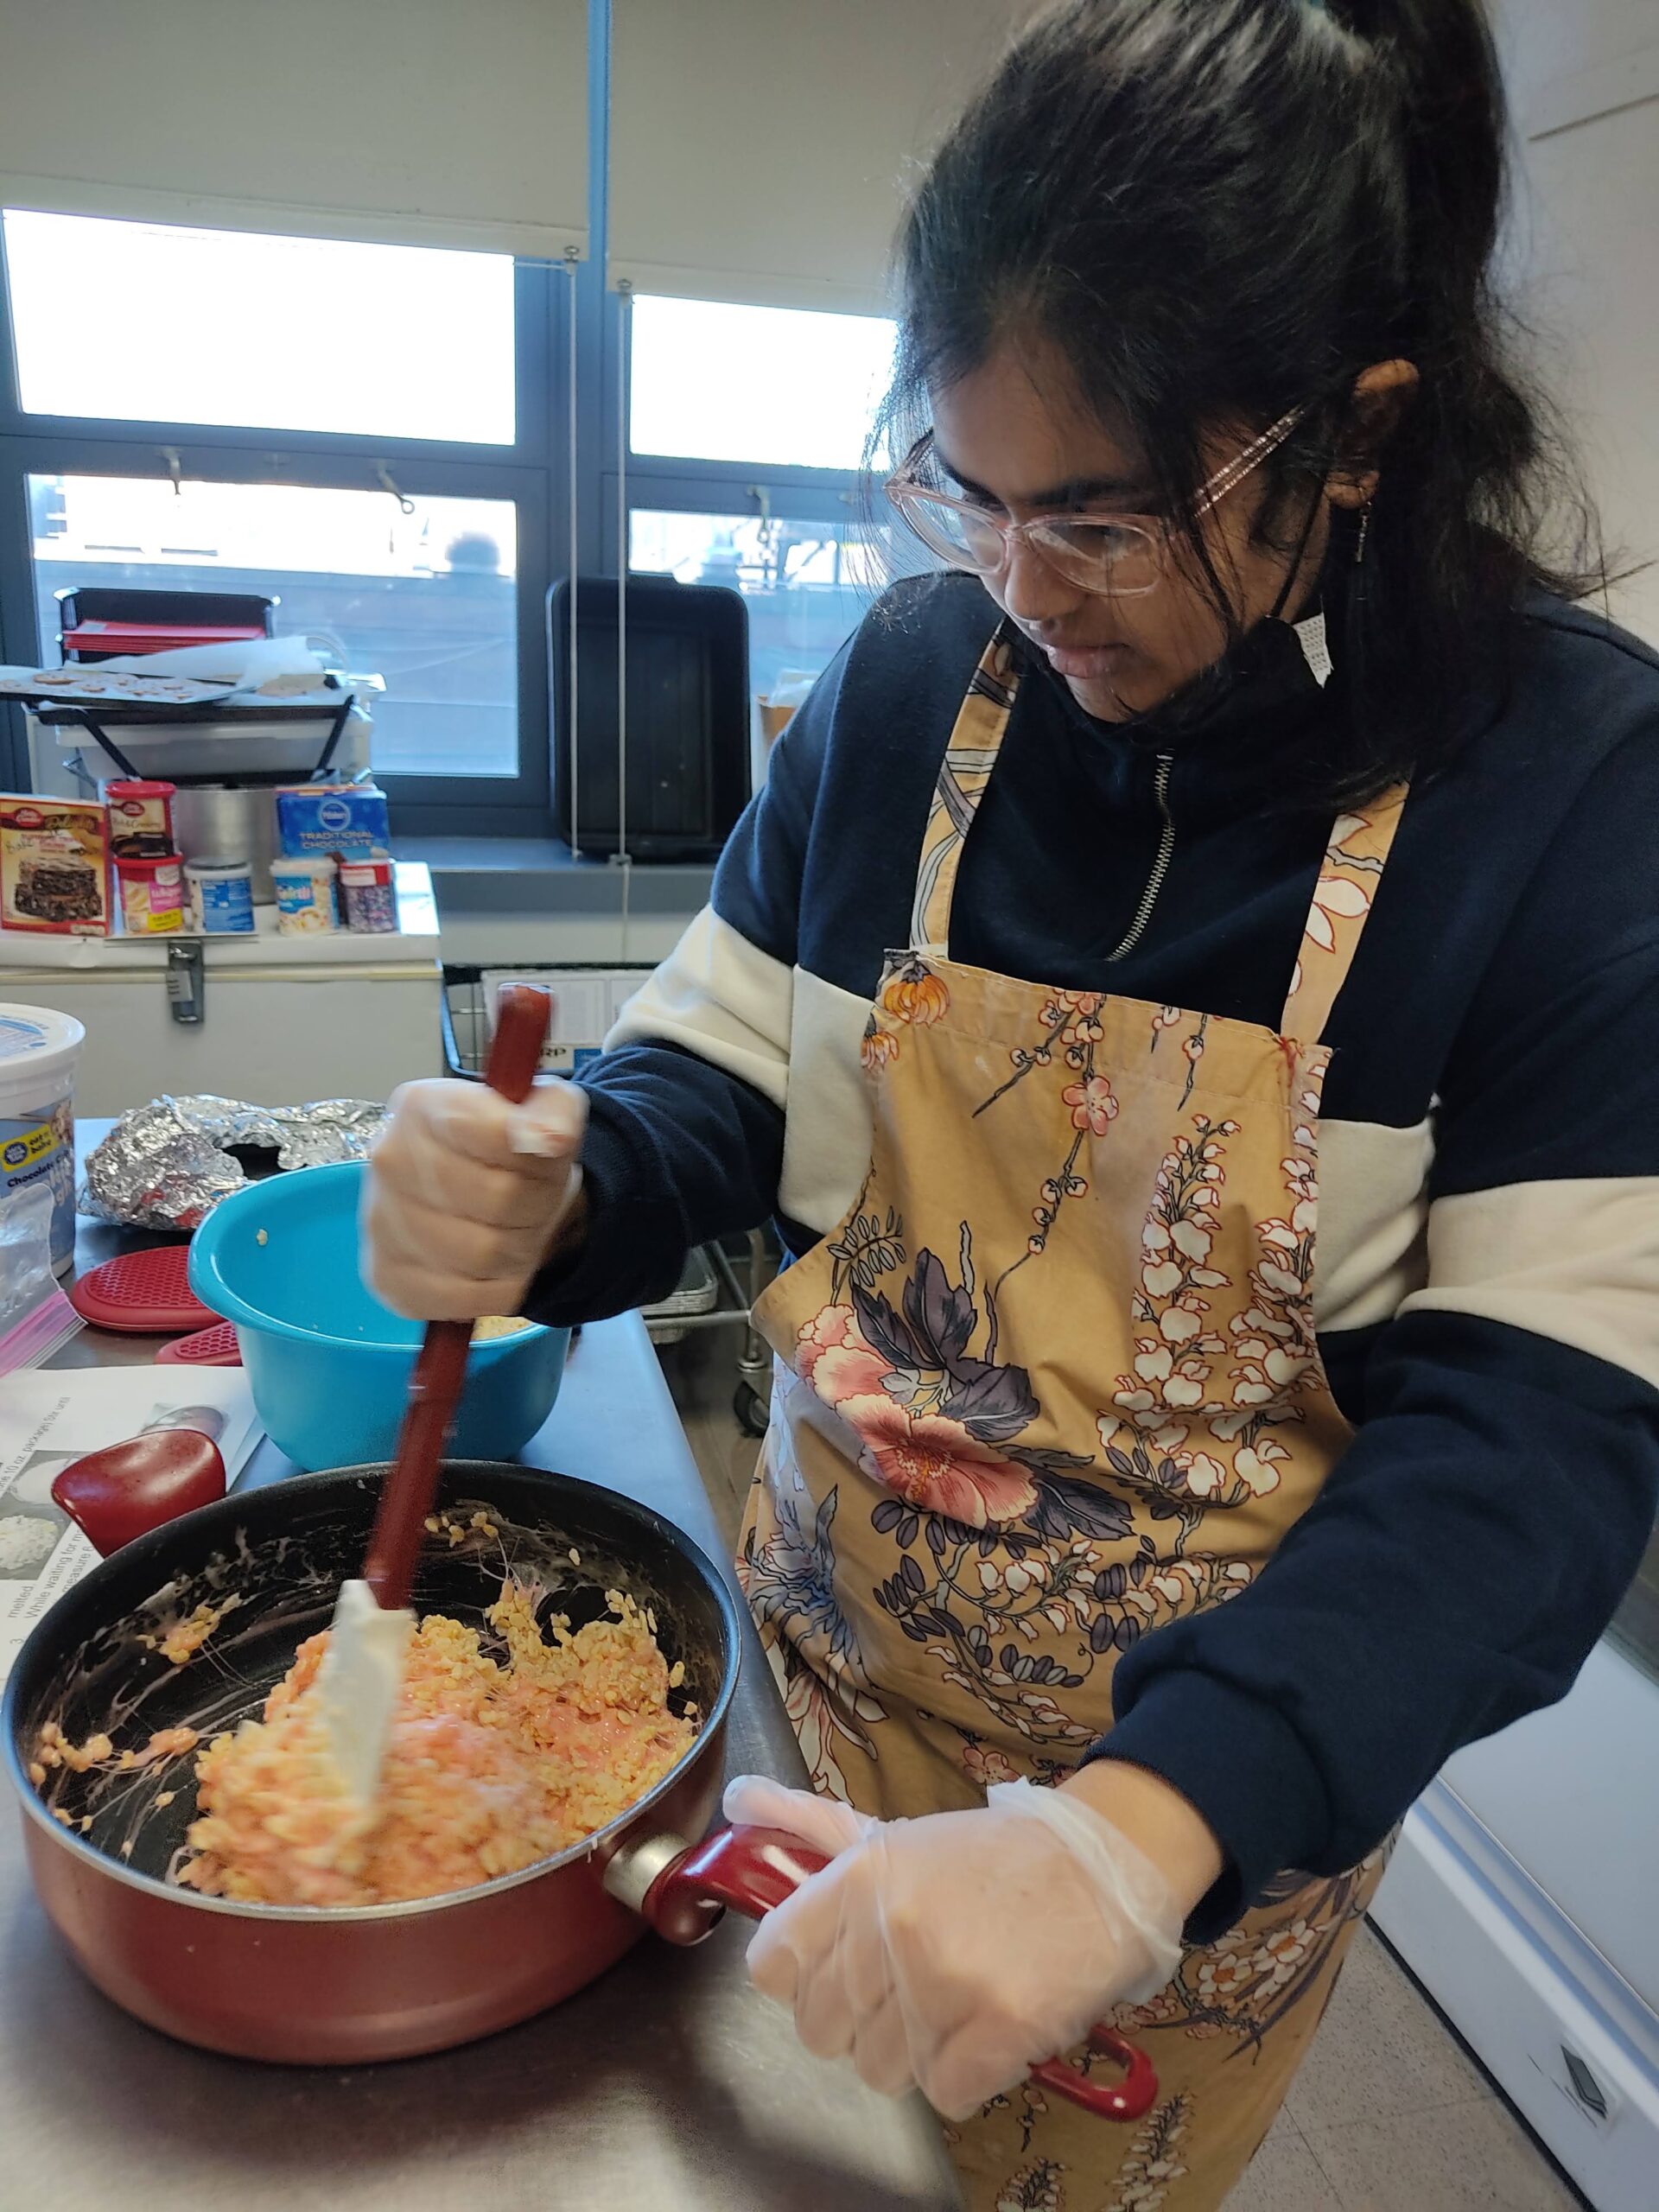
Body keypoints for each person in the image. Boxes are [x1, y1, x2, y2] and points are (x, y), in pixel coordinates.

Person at [365, 2, 1659, 2202]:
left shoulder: (1571, 791)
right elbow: (719, 1087)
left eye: (1105, 518)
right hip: (801, 1700)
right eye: (970, 491)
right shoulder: (905, 688)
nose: (1022, 588)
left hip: (1188, 1819)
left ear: (1354, 441)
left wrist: (1124, 1843)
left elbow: (1535, 1441)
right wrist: (562, 1179)